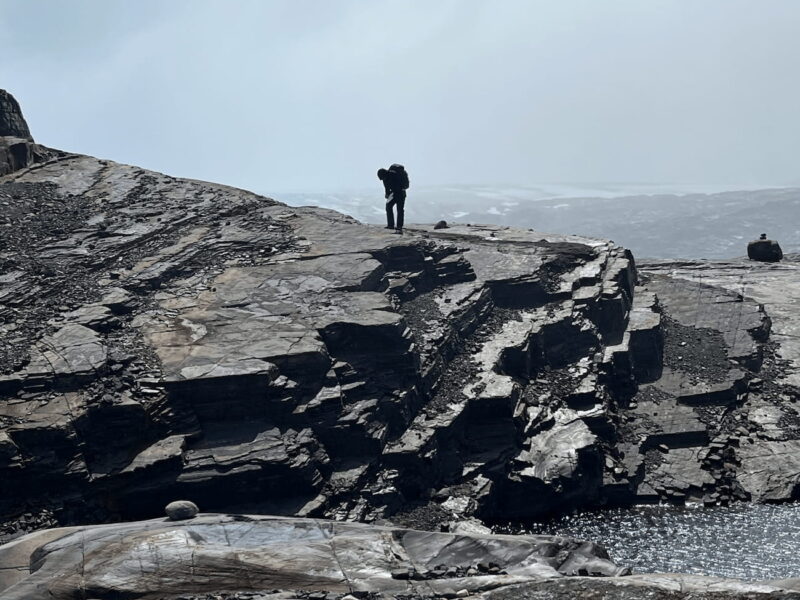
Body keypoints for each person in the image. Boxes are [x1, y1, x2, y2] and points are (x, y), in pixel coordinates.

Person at [378, 164, 409, 233]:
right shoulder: (385, 177)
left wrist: (389, 193)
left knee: (399, 209)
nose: (382, 179)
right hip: (394, 193)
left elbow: (402, 185)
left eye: (382, 178)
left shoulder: (394, 175)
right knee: (389, 207)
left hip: (400, 193)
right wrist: (387, 194)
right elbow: (386, 187)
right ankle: (391, 225)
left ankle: (398, 226)